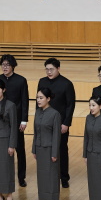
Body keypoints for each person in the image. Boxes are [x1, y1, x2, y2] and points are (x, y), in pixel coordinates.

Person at [37, 58, 75, 188]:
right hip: (45, 123)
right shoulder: (42, 81)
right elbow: (38, 102)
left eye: (51, 69)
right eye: (47, 69)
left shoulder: (66, 84)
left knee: (62, 150)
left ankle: (64, 177)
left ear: (58, 69)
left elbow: (70, 105)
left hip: (60, 123)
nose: (49, 72)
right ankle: (49, 174)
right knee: (46, 148)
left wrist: (66, 123)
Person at [0, 54, 29, 187]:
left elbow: (24, 101)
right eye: (3, 65)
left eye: (7, 65)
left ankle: (21, 177)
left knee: (20, 149)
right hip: (2, 121)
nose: (5, 67)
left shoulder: (21, 80)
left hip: (17, 120)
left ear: (13, 66)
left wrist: (24, 120)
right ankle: (5, 175)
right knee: (3, 150)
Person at [32, 88, 62, 200]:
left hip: (50, 150)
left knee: (52, 176)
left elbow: (56, 136)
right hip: (40, 149)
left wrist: (54, 153)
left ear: (48, 99)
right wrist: (34, 149)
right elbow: (35, 132)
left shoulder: (55, 114)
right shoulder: (38, 112)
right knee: (42, 177)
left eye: (41, 98)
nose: (38, 100)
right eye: (37, 98)